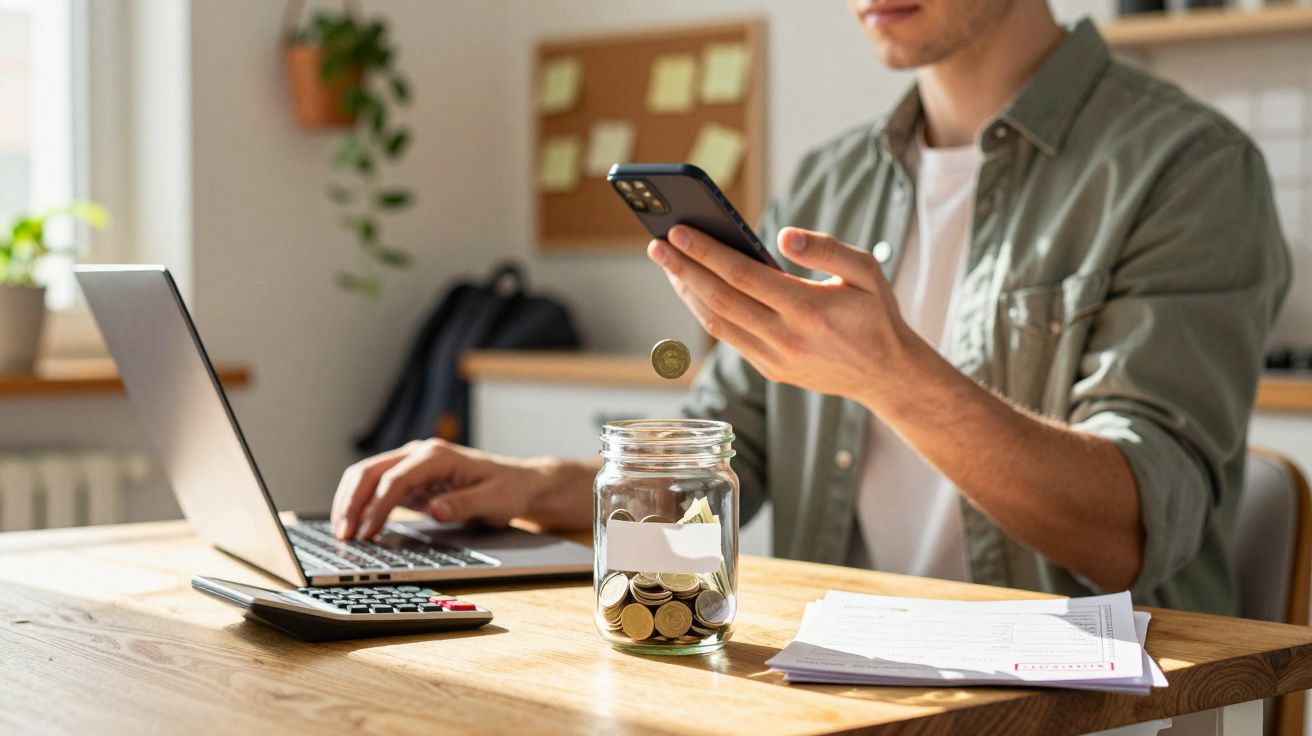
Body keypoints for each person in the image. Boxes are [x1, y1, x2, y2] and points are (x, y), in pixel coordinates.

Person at [331, 0, 1290, 614]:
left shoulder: (1188, 169)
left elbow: (1128, 532)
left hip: (1073, 707)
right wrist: (528, 486)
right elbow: (731, 446)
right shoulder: (830, 182)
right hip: (842, 689)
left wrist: (892, 376)